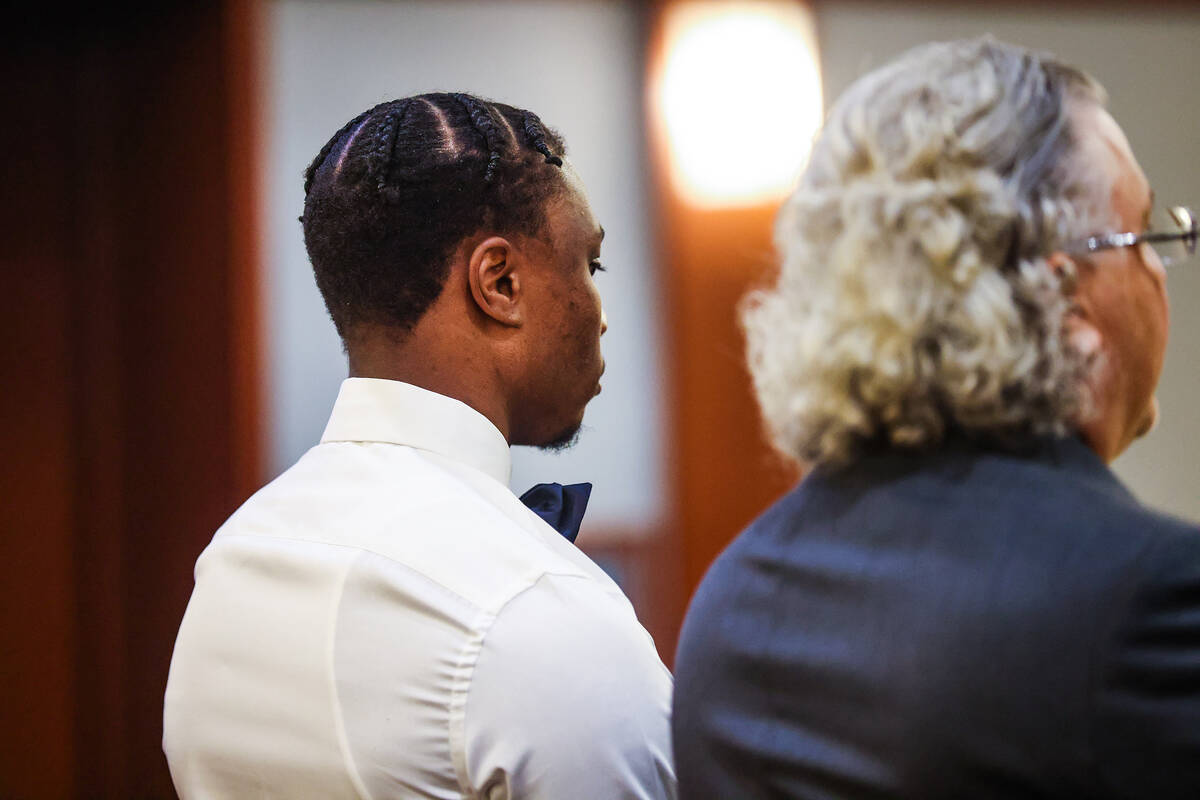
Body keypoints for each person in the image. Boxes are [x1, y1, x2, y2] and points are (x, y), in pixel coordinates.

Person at [672, 38, 1199, 799]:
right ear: (1067, 302)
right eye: (1144, 234)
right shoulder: (1147, 596)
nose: (1158, 270)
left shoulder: (731, 603)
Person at [164, 93, 676, 799]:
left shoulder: (228, 569)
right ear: (499, 283)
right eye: (591, 265)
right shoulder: (536, 614)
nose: (601, 313)